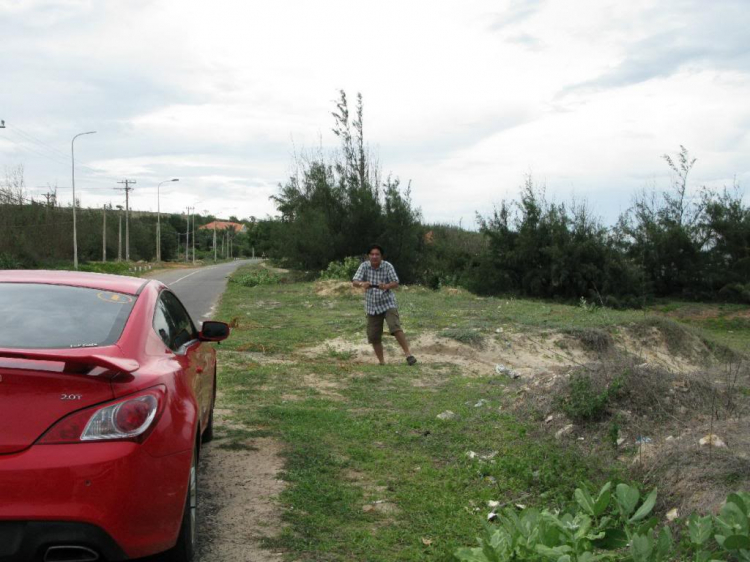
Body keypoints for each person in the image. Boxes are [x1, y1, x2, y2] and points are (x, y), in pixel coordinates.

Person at [352, 244, 417, 366]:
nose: (374, 257)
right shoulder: (364, 266)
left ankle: (408, 355)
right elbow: (355, 281)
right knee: (373, 335)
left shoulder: (387, 266)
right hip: (372, 305)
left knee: (395, 326)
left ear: (381, 256)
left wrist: (386, 286)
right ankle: (382, 362)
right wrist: (362, 284)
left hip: (387, 302)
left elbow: (396, 282)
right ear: (368, 256)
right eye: (372, 254)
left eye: (377, 254)